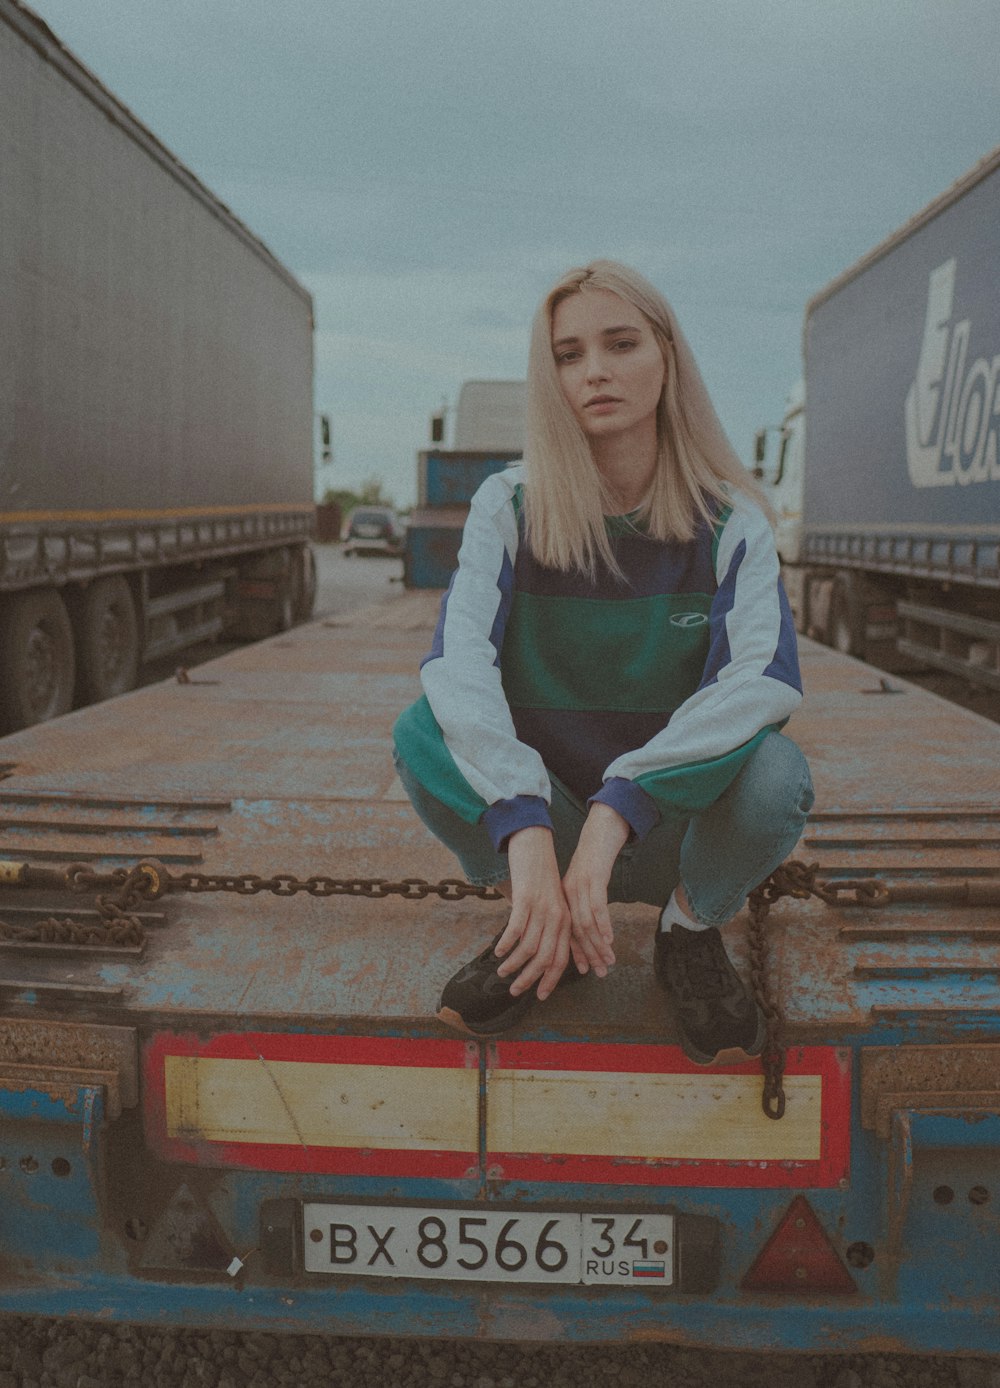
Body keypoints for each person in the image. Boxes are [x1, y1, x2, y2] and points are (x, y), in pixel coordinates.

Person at [392, 260, 813, 1065]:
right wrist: (527, 838)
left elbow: (758, 684)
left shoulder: (734, 521)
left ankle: (688, 932)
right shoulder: (507, 504)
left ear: (667, 356)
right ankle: (539, 928)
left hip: (665, 825)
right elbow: (458, 670)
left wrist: (621, 809)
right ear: (548, 376)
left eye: (621, 344)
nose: (596, 372)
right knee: (420, 731)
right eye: (568, 354)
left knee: (777, 774)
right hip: (549, 824)